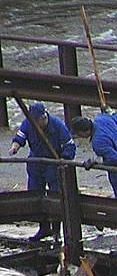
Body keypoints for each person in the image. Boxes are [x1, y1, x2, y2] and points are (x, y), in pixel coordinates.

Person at [70, 108, 117, 253]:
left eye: (78, 135)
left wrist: (96, 162)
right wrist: (109, 111)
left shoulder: (98, 141)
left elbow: (115, 158)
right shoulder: (102, 118)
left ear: (84, 132)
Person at [8, 102, 76, 241]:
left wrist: (63, 159)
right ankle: (44, 228)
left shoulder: (57, 125)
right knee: (35, 193)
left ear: (44, 117)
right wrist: (14, 147)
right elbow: (20, 137)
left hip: (53, 163)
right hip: (36, 163)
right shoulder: (28, 123)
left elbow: (70, 145)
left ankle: (56, 231)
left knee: (56, 196)